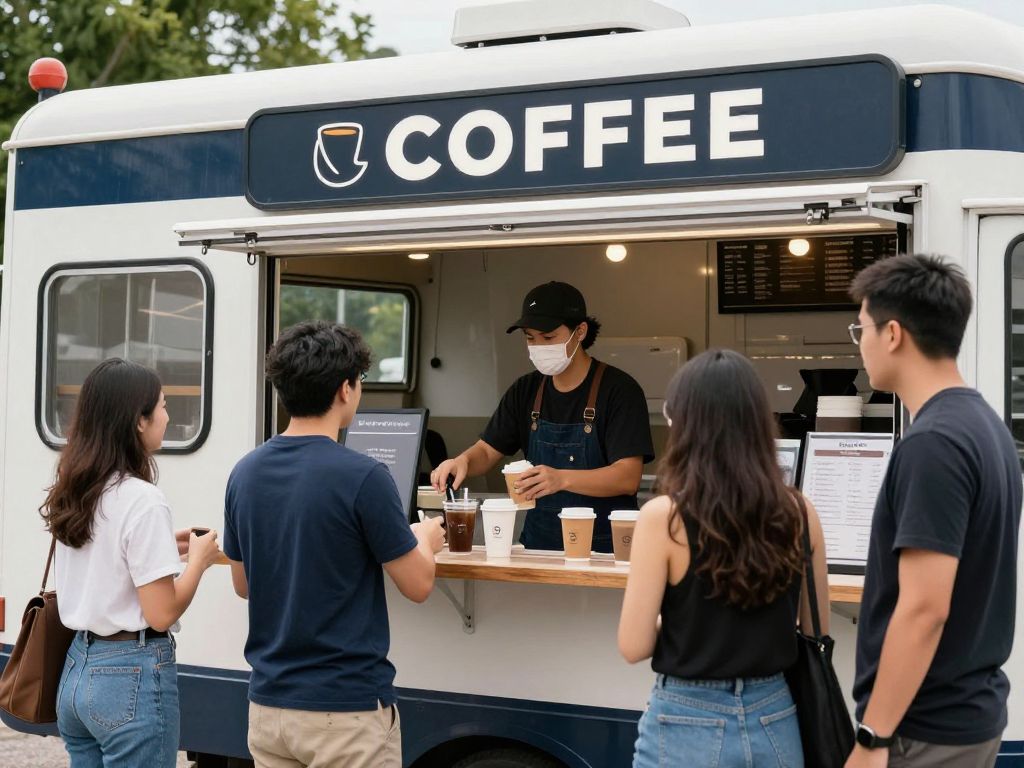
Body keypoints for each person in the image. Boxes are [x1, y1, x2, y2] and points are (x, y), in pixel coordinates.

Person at [223, 321, 445, 768]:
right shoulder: (364, 477)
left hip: (268, 709)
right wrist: (425, 539)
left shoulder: (244, 473)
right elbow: (418, 585)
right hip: (345, 711)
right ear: (346, 389)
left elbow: (243, 585)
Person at [845, 254, 1021, 768]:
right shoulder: (986, 426)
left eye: (861, 329)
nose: (860, 345)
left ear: (892, 334)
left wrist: (872, 738)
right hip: (967, 715)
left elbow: (925, 609)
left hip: (923, 730)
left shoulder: (934, 443)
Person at [619, 349, 830, 768]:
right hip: (776, 715)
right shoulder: (800, 512)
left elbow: (633, 645)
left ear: (685, 424)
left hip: (686, 717)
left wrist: (681, 621)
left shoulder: (664, 517)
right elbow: (814, 628)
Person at [43, 359, 223, 768]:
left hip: (76, 670)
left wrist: (165, 547)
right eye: (162, 406)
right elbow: (162, 613)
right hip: (128, 676)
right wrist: (199, 562)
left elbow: (104, 559)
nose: (167, 416)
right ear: (139, 421)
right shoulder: (143, 499)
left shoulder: (76, 487)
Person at [431, 281, 654, 551]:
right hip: (538, 547)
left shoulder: (619, 390)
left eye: (548, 338)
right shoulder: (526, 390)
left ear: (580, 332)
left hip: (605, 550)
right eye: (530, 338)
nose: (537, 346)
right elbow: (487, 451)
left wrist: (561, 478)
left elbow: (627, 477)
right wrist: (462, 461)